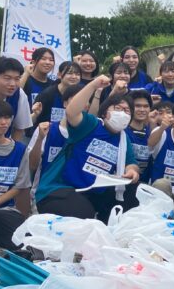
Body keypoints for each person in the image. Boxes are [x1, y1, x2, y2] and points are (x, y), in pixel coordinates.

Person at [35, 75, 141, 220]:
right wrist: (93, 85)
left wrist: (131, 171)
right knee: (83, 214)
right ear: (105, 112)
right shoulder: (91, 124)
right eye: (118, 108)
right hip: (59, 190)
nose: (122, 113)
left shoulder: (123, 139)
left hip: (93, 192)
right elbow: (72, 112)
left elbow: (131, 163)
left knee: (136, 192)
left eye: (127, 111)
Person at [0, 101, 32, 250]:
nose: (4, 122)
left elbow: (20, 186)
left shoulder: (20, 149)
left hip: (6, 210)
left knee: (21, 244)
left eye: (7, 117)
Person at [32, 61, 82, 126]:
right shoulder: (47, 94)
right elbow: (31, 120)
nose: (74, 77)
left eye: (77, 74)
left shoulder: (81, 94)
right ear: (59, 75)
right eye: (69, 73)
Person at [0, 57, 31, 140]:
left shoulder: (19, 95)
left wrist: (10, 150)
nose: (13, 84)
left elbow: (20, 128)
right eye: (7, 78)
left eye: (17, 79)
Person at [127, 90, 154, 180]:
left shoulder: (151, 134)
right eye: (137, 106)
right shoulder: (122, 130)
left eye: (146, 106)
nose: (142, 110)